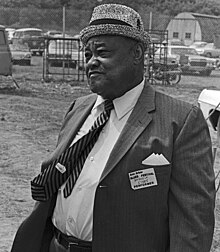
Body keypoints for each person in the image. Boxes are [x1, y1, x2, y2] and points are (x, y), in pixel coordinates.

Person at [11, 4, 216, 252]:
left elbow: (192, 223)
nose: (91, 63)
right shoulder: (78, 108)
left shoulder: (181, 121)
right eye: (87, 55)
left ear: (137, 53)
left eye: (102, 52)